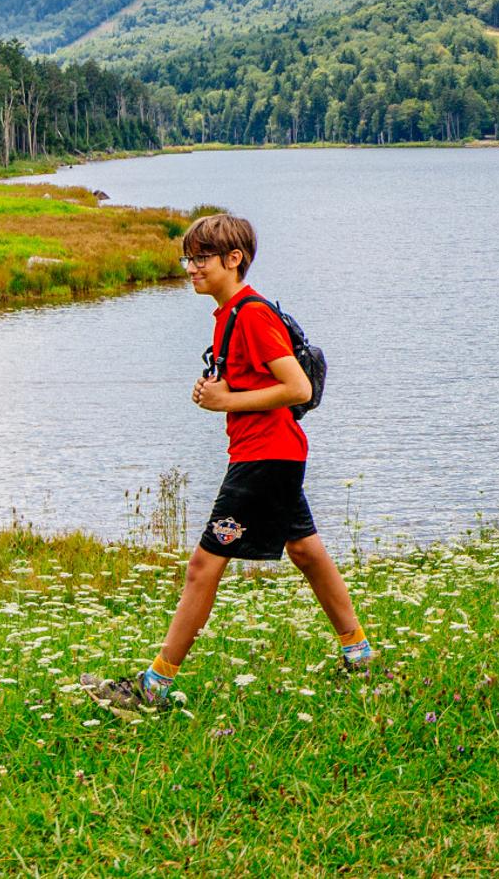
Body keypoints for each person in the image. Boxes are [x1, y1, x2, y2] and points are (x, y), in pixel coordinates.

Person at [81, 213, 372, 718]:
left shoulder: (253, 315)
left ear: (233, 260)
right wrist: (220, 393)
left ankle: (152, 689)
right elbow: (248, 386)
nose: (190, 267)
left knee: (201, 567)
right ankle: (360, 654)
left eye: (200, 258)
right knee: (306, 551)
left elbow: (296, 389)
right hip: (270, 453)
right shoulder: (227, 315)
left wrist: (225, 402)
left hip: (265, 456)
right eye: (187, 258)